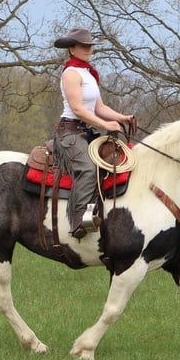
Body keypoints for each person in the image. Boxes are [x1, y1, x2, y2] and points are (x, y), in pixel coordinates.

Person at [53, 27, 135, 239]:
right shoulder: (71, 73)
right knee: (89, 169)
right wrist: (105, 125)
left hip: (86, 131)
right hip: (70, 132)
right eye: (84, 46)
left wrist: (120, 117)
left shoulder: (88, 73)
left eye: (90, 46)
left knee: (110, 163)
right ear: (72, 49)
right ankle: (79, 219)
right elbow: (78, 109)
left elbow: (99, 107)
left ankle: (101, 213)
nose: (89, 49)